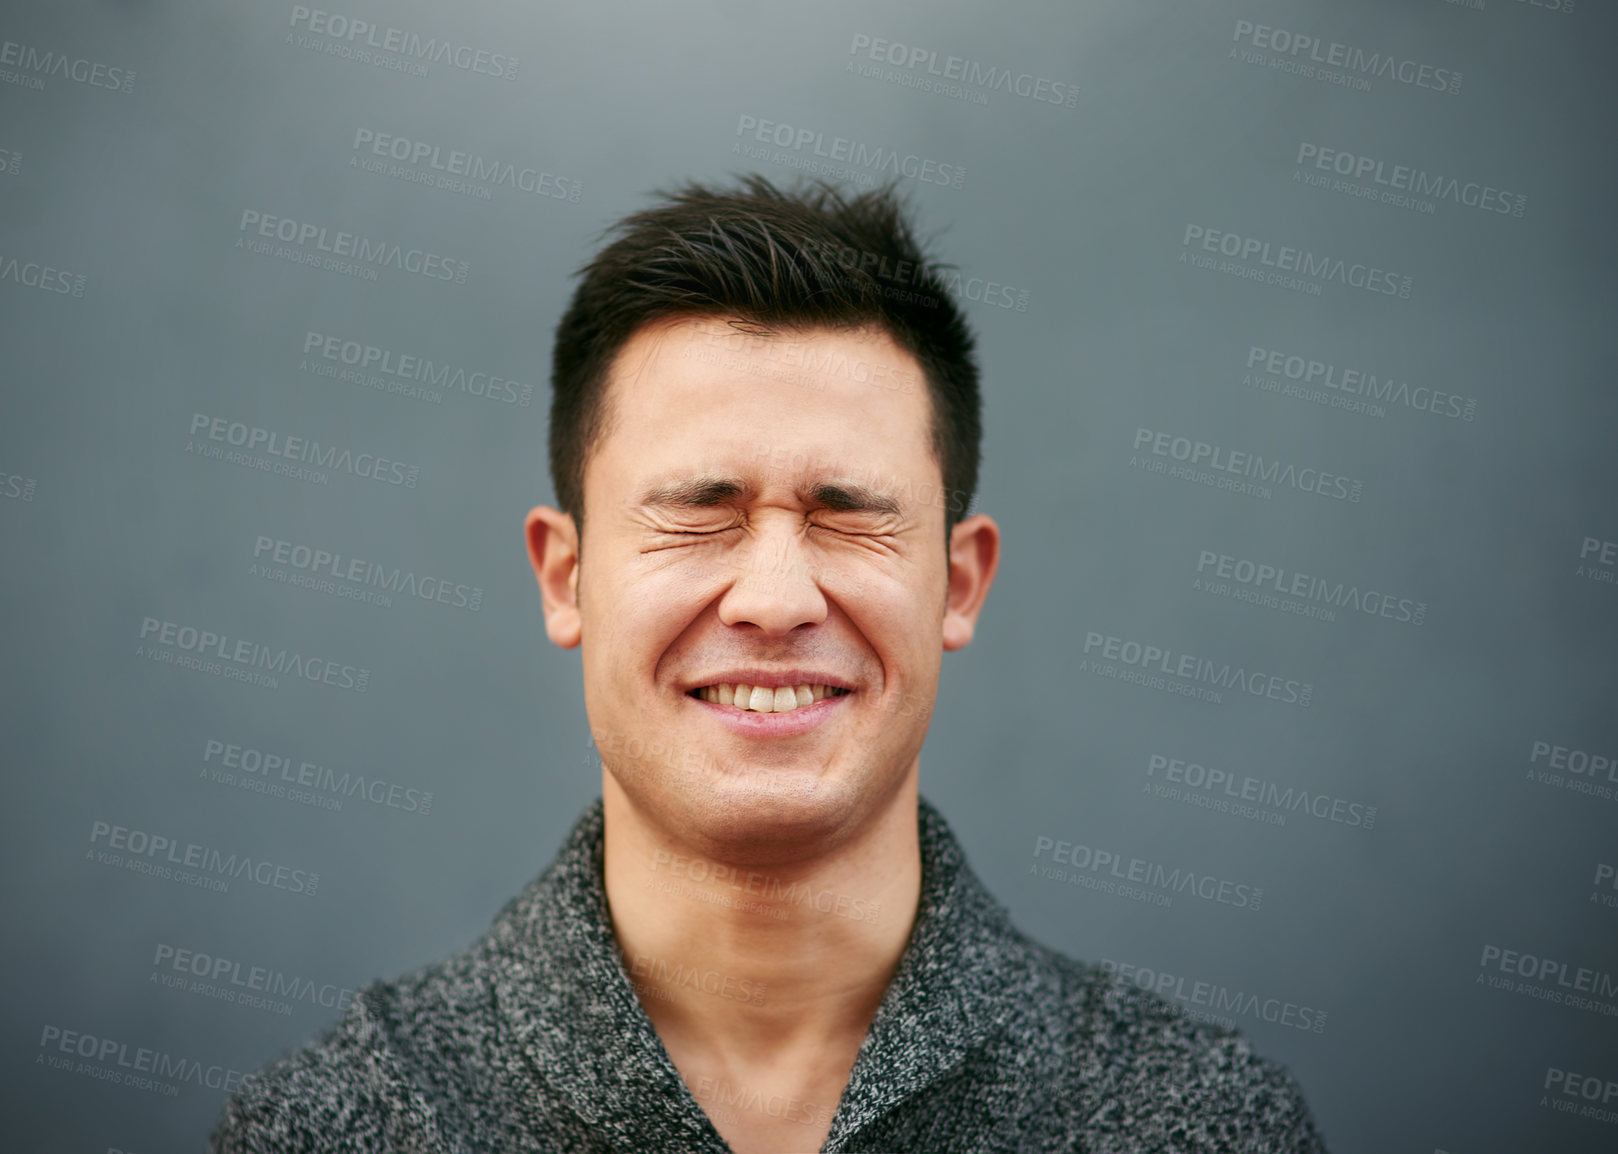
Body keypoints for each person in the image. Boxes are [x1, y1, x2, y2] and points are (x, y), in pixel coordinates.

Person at [208, 173, 1328, 1153]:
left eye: (847, 517)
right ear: (564, 575)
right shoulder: (339, 1122)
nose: (777, 600)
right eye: (701, 514)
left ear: (961, 582)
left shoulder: (1192, 1119)